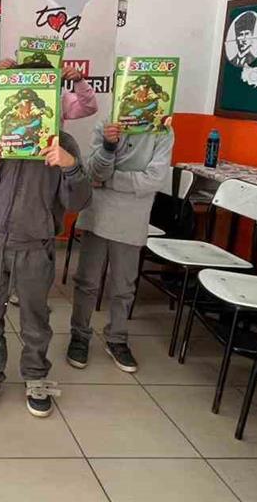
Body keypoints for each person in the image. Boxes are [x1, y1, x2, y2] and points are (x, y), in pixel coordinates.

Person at [0, 75, 92, 418]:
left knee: (35, 317)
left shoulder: (63, 143)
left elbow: (78, 201)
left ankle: (35, 375)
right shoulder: (1, 137)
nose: (24, 108)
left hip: (35, 245)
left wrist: (70, 166)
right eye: (18, 99)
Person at [67, 118, 173, 373]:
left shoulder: (163, 130)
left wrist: (109, 182)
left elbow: (154, 179)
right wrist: (109, 145)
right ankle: (79, 335)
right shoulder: (107, 124)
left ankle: (117, 338)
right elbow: (93, 173)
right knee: (86, 281)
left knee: (123, 285)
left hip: (132, 217)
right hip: (98, 213)